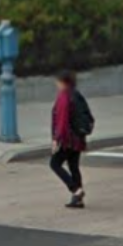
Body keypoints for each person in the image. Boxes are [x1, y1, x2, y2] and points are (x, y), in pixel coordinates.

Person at [49, 69, 92, 209]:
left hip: (68, 139)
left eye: (57, 81)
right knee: (74, 166)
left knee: (54, 164)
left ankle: (75, 190)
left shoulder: (64, 96)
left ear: (62, 82)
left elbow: (61, 120)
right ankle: (77, 200)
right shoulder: (76, 94)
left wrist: (56, 139)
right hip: (78, 137)